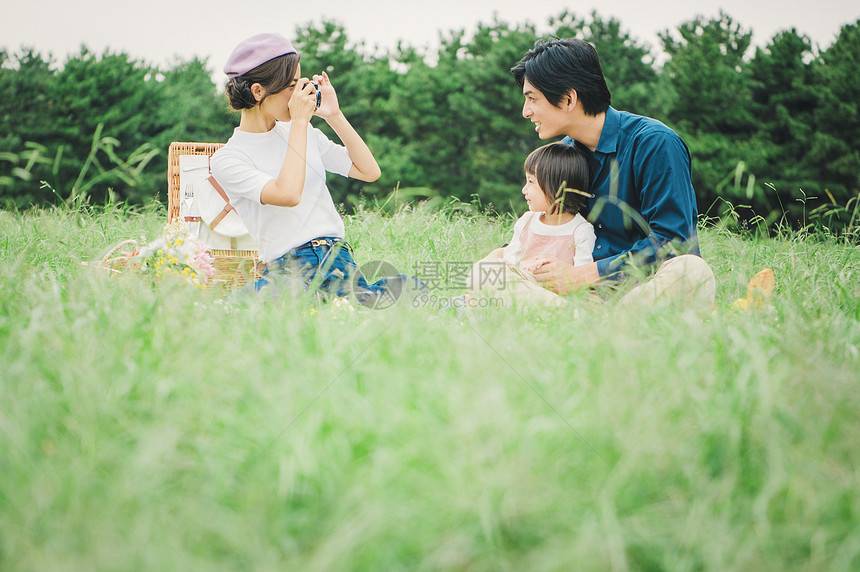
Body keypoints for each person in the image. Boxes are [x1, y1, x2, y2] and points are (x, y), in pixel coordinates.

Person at [210, 33, 421, 306]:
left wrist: (334, 115)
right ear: (258, 91)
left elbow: (368, 172)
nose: (301, 94)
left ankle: (335, 304)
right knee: (260, 300)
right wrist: (298, 121)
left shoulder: (302, 131)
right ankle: (333, 306)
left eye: (302, 84)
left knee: (411, 289)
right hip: (289, 271)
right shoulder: (229, 159)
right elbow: (287, 194)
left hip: (339, 262)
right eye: (292, 86)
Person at [510, 38, 716, 309]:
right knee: (486, 273)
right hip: (573, 298)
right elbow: (542, 221)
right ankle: (582, 324)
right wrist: (500, 256)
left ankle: (606, 326)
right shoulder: (561, 155)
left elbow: (674, 241)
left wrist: (580, 276)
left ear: (569, 99)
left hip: (642, 291)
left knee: (692, 271)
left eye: (532, 99)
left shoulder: (654, 143)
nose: (526, 112)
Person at [467, 142, 596, 307]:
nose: (524, 189)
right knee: (486, 269)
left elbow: (581, 275)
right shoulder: (527, 221)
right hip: (524, 283)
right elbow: (511, 261)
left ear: (555, 186)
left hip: (559, 291)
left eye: (531, 181)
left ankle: (558, 309)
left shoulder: (581, 230)